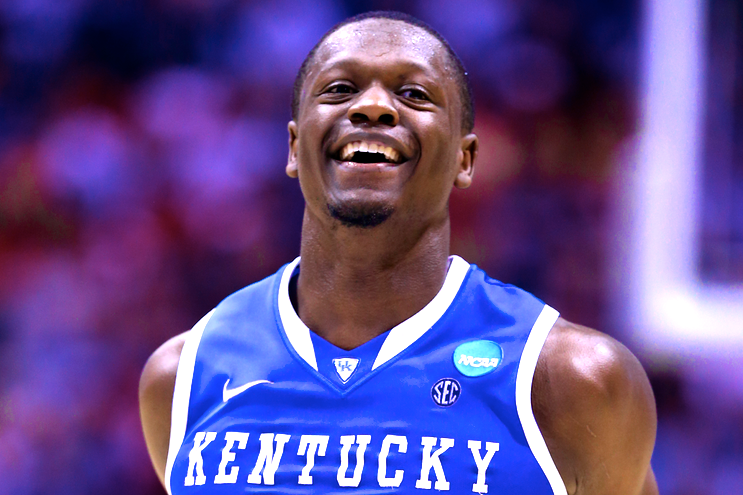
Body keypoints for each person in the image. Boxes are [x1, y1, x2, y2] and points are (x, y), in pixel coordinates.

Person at [139, 11, 658, 495]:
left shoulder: (572, 381)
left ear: (465, 157)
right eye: (340, 89)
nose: (372, 106)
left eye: (414, 94)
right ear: (294, 148)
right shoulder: (182, 376)